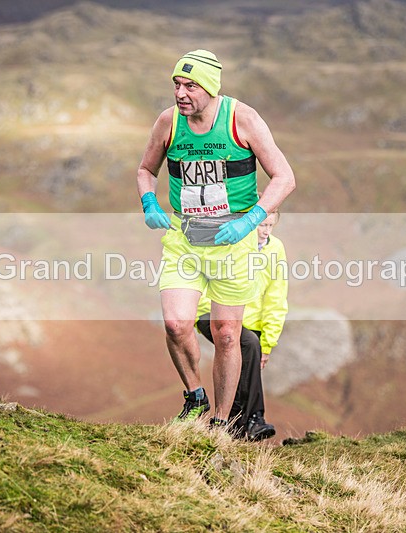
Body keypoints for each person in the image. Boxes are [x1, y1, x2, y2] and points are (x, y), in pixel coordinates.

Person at [136, 49, 295, 429]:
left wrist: (251, 220)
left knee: (227, 335)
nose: (180, 93)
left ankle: (221, 421)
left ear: (210, 88)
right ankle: (195, 396)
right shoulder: (168, 122)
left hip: (233, 242)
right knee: (176, 324)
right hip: (185, 239)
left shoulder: (243, 119)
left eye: (190, 86)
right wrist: (148, 201)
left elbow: (285, 177)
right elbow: (146, 170)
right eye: (177, 84)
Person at [196, 210, 288, 441]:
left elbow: (276, 297)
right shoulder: (230, 241)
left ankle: (234, 429)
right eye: (261, 225)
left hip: (251, 322)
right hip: (211, 312)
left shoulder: (276, 249)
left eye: (270, 226)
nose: (265, 231)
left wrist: (268, 342)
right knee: (248, 343)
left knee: (247, 359)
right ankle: (255, 418)